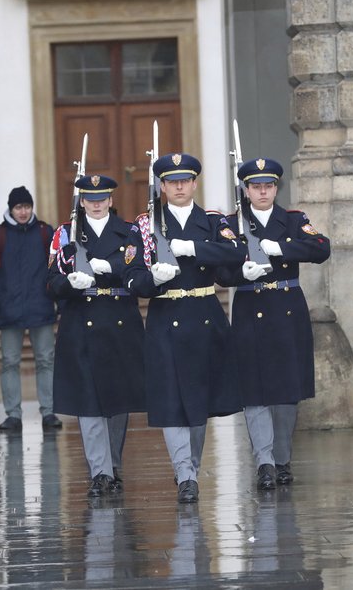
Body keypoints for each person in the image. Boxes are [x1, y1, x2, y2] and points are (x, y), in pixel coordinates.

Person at [130, 153, 245, 503]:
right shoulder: (146, 226)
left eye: (185, 180)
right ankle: (184, 474)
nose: (179, 186)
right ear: (162, 186)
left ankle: (190, 467)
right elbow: (131, 278)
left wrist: (193, 247)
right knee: (171, 400)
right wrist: (152, 278)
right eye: (171, 181)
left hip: (203, 315)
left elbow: (235, 252)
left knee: (197, 402)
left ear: (195, 183)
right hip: (166, 317)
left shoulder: (211, 221)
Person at [216, 157, 330, 490]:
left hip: (286, 309)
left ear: (276, 188)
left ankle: (281, 459)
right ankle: (264, 462)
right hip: (251, 308)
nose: (262, 192)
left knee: (285, 392)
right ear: (246, 190)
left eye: (268, 186)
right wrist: (241, 272)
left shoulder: (293, 220)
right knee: (253, 390)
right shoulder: (232, 223)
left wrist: (280, 247)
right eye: (256, 187)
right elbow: (222, 271)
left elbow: (321, 248)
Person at [47, 174, 148, 497]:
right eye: (90, 198)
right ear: (81, 201)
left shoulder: (129, 231)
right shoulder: (66, 234)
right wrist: (69, 284)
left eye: (101, 197)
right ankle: (100, 472)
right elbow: (50, 281)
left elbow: (138, 264)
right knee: (88, 402)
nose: (96, 203)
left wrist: (110, 266)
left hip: (119, 321)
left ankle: (113, 464)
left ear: (110, 200)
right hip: (81, 321)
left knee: (118, 402)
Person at [0, 186, 62, 432]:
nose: (23, 212)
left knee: (46, 360)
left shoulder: (45, 232)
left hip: (41, 306)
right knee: (9, 361)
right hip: (10, 309)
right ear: (11, 209)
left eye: (27, 206)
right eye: (18, 207)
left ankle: (49, 411)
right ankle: (13, 414)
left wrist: (54, 295)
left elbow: (56, 266)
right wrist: (0, 299)